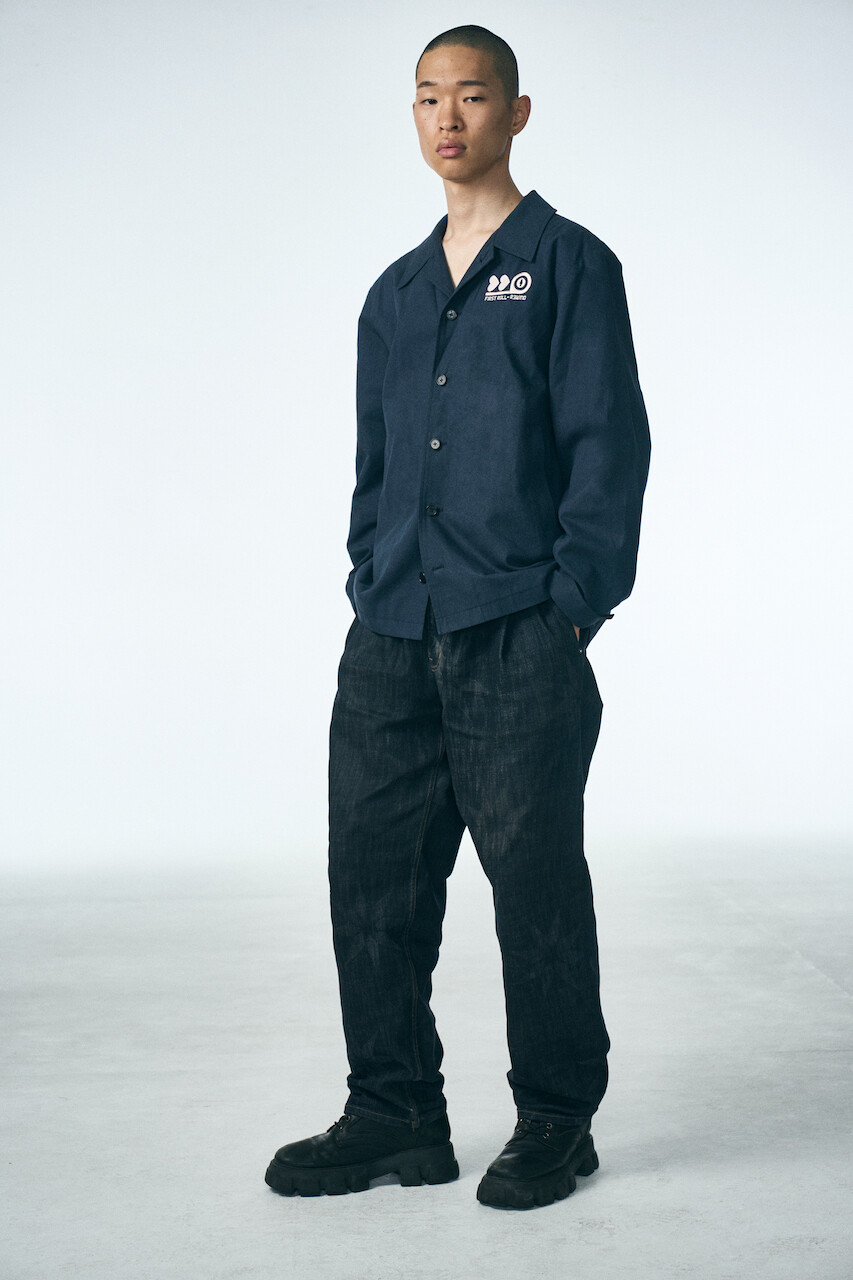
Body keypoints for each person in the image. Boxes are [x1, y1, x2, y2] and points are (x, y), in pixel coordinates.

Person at [265, 24, 650, 1211]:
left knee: (533, 887)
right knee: (371, 886)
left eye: (472, 95)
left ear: (515, 112)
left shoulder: (568, 264)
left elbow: (609, 449)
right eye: (429, 96)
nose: (448, 116)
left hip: (516, 631)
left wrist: (569, 610)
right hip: (389, 633)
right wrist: (367, 578)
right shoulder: (393, 293)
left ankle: (557, 1118)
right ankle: (394, 1112)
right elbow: (375, 466)